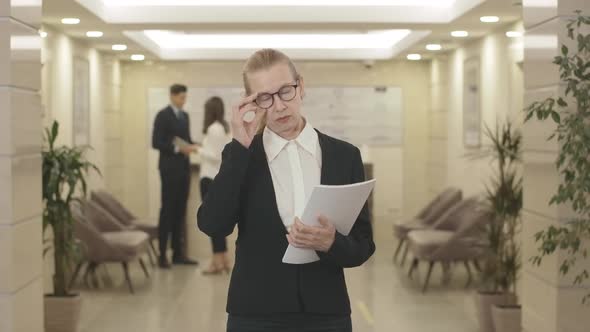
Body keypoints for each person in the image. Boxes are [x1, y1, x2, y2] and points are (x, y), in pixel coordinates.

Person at [197, 49, 375, 332]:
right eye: (265, 98)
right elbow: (212, 224)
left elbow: (363, 246)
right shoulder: (243, 156)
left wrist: (332, 243)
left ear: (301, 86)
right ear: (250, 103)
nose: (279, 106)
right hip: (254, 314)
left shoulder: (344, 156)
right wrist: (239, 148)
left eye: (285, 92)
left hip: (327, 313)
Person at [152, 84, 199, 269]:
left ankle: (179, 254)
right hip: (169, 169)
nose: (183, 101)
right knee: (167, 211)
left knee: (181, 211)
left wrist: (194, 146)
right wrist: (177, 148)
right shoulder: (162, 115)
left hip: (183, 169)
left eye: (185, 98)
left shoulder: (184, 116)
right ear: (172, 96)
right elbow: (156, 142)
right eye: (180, 97)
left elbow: (186, 139)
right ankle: (162, 254)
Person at [199, 96, 232, 275]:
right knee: (219, 221)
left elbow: (217, 155)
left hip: (209, 178)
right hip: (217, 179)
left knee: (212, 222)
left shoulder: (213, 129)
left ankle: (216, 262)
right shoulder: (224, 128)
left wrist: (198, 149)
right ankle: (224, 259)